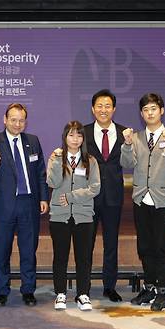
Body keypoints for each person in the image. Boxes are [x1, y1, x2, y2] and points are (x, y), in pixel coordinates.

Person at [121, 93, 165, 311]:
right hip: (142, 199)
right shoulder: (137, 137)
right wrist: (128, 144)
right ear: (141, 114)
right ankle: (149, 287)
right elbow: (126, 162)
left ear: (162, 110)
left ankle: (163, 291)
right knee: (145, 247)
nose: (150, 113)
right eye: (146, 110)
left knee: (163, 247)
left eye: (153, 108)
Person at [0, 103, 49, 307]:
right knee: (2, 250)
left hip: (28, 204)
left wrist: (43, 198)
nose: (17, 123)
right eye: (13, 119)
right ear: (5, 119)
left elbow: (40, 172)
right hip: (3, 206)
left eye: (21, 120)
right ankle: (1, 290)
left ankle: (28, 290)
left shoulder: (33, 141)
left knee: (28, 250)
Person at [47, 121, 101, 311]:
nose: (75, 139)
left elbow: (95, 187)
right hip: (59, 216)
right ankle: (60, 293)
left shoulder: (91, 161)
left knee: (84, 257)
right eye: (71, 135)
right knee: (60, 256)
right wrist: (55, 161)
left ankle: (83, 294)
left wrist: (71, 197)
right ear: (65, 137)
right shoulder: (55, 158)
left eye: (79, 135)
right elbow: (52, 182)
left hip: (83, 215)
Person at [84, 89, 126, 302]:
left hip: (113, 197)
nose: (103, 110)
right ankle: (85, 287)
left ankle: (110, 286)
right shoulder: (82, 133)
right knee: (86, 243)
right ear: (93, 109)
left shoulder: (125, 133)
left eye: (107, 106)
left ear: (114, 109)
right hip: (88, 197)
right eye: (99, 106)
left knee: (111, 243)